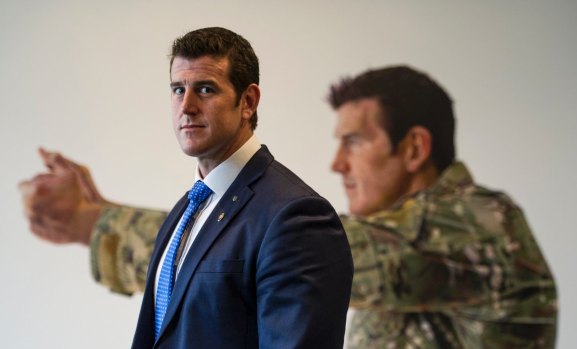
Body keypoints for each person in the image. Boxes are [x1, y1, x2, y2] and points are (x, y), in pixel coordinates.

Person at [21, 65, 558, 348]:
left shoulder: (478, 224)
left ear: (414, 148)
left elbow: (277, 249)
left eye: (353, 142)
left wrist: (96, 224)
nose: (336, 165)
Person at [23, 27, 355, 349]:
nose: (187, 106)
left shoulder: (296, 216)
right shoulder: (189, 208)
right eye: (178, 89)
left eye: (206, 89)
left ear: (248, 101)